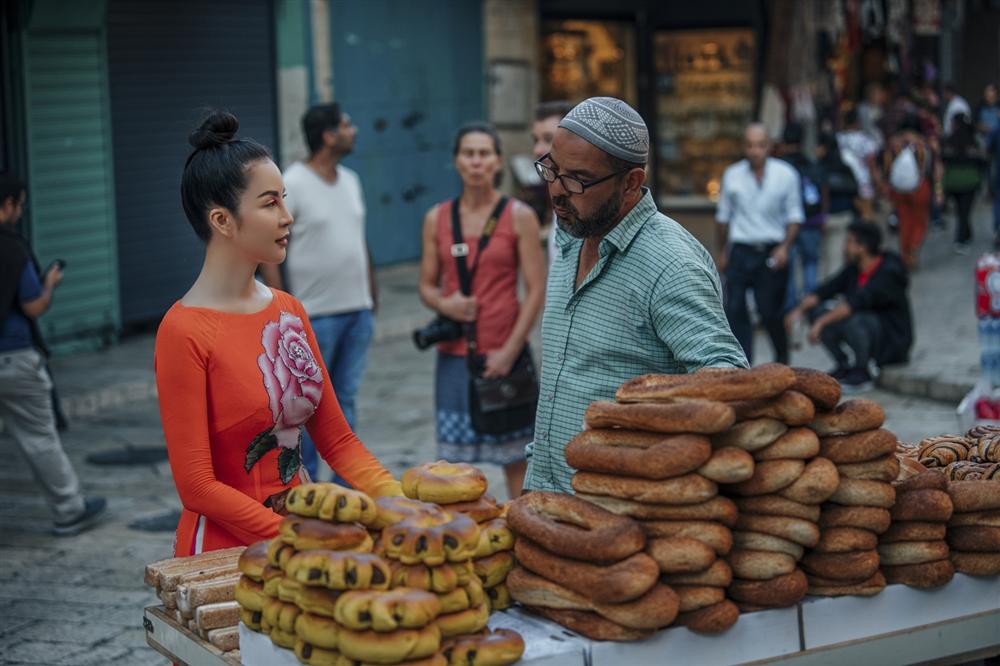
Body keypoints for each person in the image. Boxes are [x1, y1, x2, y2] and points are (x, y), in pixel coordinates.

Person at [156, 111, 400, 556]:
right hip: (227, 552)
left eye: (284, 200)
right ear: (222, 220)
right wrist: (297, 539)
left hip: (303, 536)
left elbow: (339, 442)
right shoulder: (183, 331)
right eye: (270, 204)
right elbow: (197, 487)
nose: (288, 217)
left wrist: (401, 503)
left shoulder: (289, 310)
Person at [525, 97, 747, 494]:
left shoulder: (671, 265)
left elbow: (730, 383)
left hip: (622, 509)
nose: (556, 191)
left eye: (577, 180)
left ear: (630, 182)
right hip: (547, 495)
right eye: (552, 169)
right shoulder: (572, 234)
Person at [418, 122, 546, 499]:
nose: (476, 161)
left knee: (518, 461)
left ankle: (522, 527)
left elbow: (536, 289)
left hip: (505, 356)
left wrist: (509, 351)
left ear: (498, 161)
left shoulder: (518, 215)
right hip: (455, 359)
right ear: (457, 161)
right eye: (468, 153)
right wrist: (446, 304)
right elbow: (426, 285)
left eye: (484, 153)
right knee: (453, 470)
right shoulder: (437, 218)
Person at [259, 104, 376, 481]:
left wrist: (371, 290)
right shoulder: (292, 183)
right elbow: (270, 245)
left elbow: (357, 239)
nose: (354, 130)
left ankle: (346, 482)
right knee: (306, 404)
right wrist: (281, 306)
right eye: (346, 125)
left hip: (358, 311)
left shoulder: (351, 180)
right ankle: (304, 484)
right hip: (314, 316)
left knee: (347, 400)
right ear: (328, 136)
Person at [0, 175, 106, 535]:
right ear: (8, 204)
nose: (20, 212)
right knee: (38, 437)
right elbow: (32, 305)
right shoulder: (12, 247)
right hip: (14, 358)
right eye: (20, 204)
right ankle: (69, 510)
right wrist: (49, 284)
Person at [785, 220, 912, 391]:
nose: (845, 247)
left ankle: (862, 371)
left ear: (862, 247)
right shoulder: (854, 270)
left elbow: (853, 304)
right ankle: (843, 365)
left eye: (849, 242)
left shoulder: (888, 272)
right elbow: (825, 290)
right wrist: (798, 311)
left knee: (851, 318)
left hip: (891, 342)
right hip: (866, 330)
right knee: (817, 311)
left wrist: (820, 323)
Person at [717, 122, 803, 365]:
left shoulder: (786, 174)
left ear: (769, 146)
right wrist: (723, 251)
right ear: (743, 147)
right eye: (750, 145)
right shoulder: (732, 174)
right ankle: (744, 365)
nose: (755, 151)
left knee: (769, 311)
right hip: (741, 250)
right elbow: (723, 218)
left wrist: (785, 247)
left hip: (771, 250)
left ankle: (782, 357)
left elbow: (795, 217)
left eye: (760, 145)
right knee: (735, 309)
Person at [778, 122, 827, 311]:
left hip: (787, 225)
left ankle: (791, 308)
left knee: (788, 268)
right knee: (810, 264)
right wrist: (822, 217)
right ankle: (810, 305)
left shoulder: (779, 167)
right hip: (811, 223)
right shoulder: (811, 164)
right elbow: (823, 192)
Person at [882, 114, 936, 271]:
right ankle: (913, 247)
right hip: (919, 187)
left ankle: (905, 255)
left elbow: (887, 165)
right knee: (920, 220)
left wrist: (888, 183)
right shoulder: (923, 143)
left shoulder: (894, 143)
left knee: (904, 220)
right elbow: (930, 166)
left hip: (899, 188)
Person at [532, 101, 575, 267]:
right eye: (535, 140)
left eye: (548, 139)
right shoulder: (559, 199)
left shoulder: (586, 202)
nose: (537, 149)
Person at [816, 131, 859, 279]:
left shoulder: (819, 169)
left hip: (825, 218)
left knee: (826, 259)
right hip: (844, 216)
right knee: (836, 257)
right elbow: (855, 191)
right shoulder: (845, 168)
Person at [941, 113, 987, 253]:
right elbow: (983, 161)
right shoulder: (974, 141)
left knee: (961, 211)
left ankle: (964, 235)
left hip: (953, 182)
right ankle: (961, 239)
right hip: (970, 182)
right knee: (964, 211)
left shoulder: (948, 140)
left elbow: (943, 158)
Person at [837, 109, 881, 221]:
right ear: (857, 122)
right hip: (863, 180)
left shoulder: (838, 138)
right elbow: (871, 163)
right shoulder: (865, 140)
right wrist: (878, 182)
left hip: (843, 181)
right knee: (867, 214)